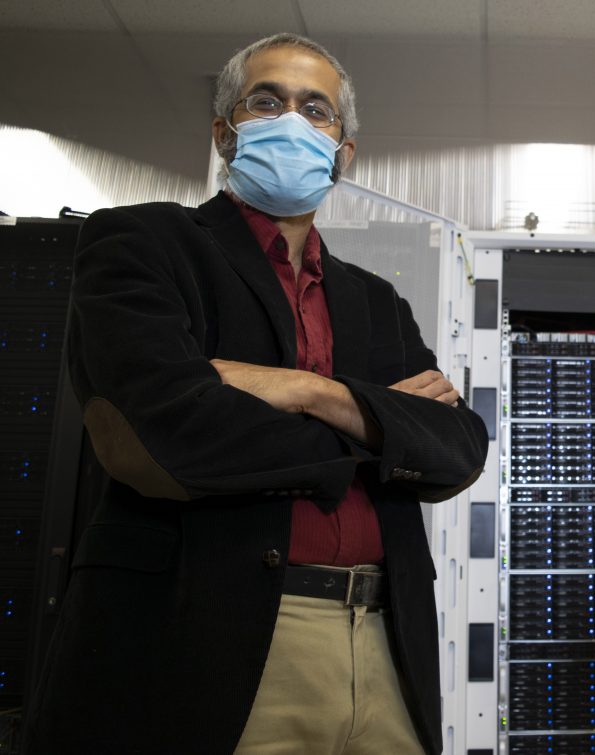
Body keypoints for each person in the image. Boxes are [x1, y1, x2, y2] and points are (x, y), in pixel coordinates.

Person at [26, 33, 488, 755]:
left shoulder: (377, 301)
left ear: (344, 152)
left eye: (318, 110)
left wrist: (308, 391)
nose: (292, 122)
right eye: (266, 101)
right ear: (225, 131)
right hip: (208, 645)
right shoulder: (143, 244)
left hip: (385, 644)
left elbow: (458, 449)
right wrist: (374, 422)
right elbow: (167, 432)